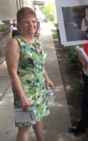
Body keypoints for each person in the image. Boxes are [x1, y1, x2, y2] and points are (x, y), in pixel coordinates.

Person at [5, 7, 54, 141]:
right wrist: (22, 97)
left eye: (34, 21)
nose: (31, 24)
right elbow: (12, 73)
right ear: (19, 24)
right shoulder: (15, 43)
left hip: (39, 89)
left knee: (38, 118)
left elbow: (39, 63)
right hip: (25, 91)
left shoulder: (36, 40)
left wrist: (47, 78)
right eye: (27, 22)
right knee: (25, 127)